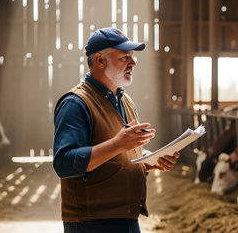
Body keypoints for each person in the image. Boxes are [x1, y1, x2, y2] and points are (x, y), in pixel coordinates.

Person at [52, 27, 180, 233]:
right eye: (124, 57)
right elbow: (63, 163)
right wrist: (118, 143)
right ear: (100, 60)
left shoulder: (125, 100)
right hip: (91, 223)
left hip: (127, 219)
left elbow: (120, 155)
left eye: (132, 56)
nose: (133, 62)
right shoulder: (76, 103)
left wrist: (150, 160)